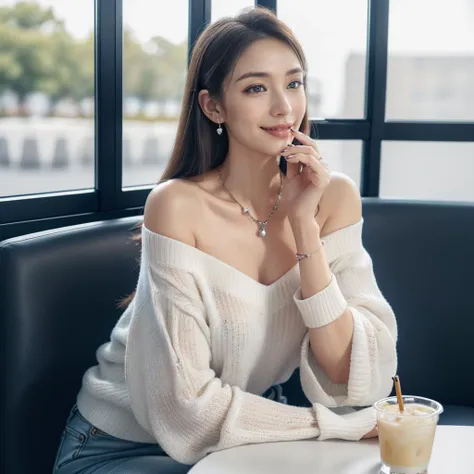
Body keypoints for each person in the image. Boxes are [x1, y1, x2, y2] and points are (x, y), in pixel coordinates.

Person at [53, 7, 397, 474]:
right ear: (213, 106)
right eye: (256, 87)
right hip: (121, 446)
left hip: (243, 443)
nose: (284, 107)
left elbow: (356, 373)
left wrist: (303, 226)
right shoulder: (177, 206)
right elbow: (186, 411)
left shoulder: (331, 197)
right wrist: (336, 427)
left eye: (294, 83)